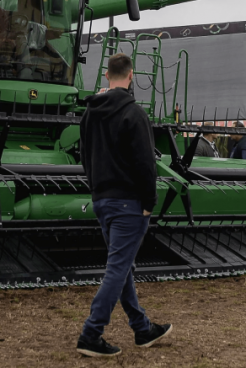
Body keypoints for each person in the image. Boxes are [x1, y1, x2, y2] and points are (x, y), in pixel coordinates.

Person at [77, 53, 173, 357]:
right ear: (131, 76)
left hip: (102, 201)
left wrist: (96, 190)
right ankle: (91, 334)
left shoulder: (89, 114)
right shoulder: (134, 113)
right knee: (118, 269)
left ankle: (142, 328)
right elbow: (146, 163)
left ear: (107, 76)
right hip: (129, 204)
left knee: (122, 266)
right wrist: (149, 202)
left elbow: (84, 156)